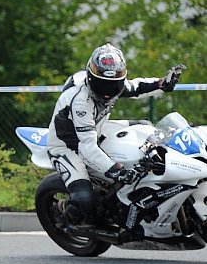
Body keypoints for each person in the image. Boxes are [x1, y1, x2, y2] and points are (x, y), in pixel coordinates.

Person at [46, 43, 185, 225]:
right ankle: (64, 210)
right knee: (85, 200)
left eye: (113, 85)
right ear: (90, 78)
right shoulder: (81, 100)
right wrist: (116, 171)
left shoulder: (114, 84)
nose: (107, 92)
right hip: (68, 147)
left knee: (145, 127)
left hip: (97, 129)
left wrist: (161, 83)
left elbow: (136, 87)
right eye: (101, 84)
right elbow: (87, 147)